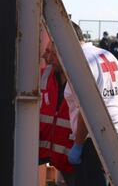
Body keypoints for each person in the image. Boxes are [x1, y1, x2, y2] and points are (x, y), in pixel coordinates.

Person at [65, 22, 118, 186]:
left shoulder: (79, 61)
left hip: (98, 138)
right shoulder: (106, 55)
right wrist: (112, 111)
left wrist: (78, 144)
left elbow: (86, 110)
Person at [39, 42, 76, 186]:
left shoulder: (81, 81)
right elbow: (12, 86)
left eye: (50, 53)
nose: (44, 56)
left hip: (70, 156)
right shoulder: (45, 75)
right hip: (42, 147)